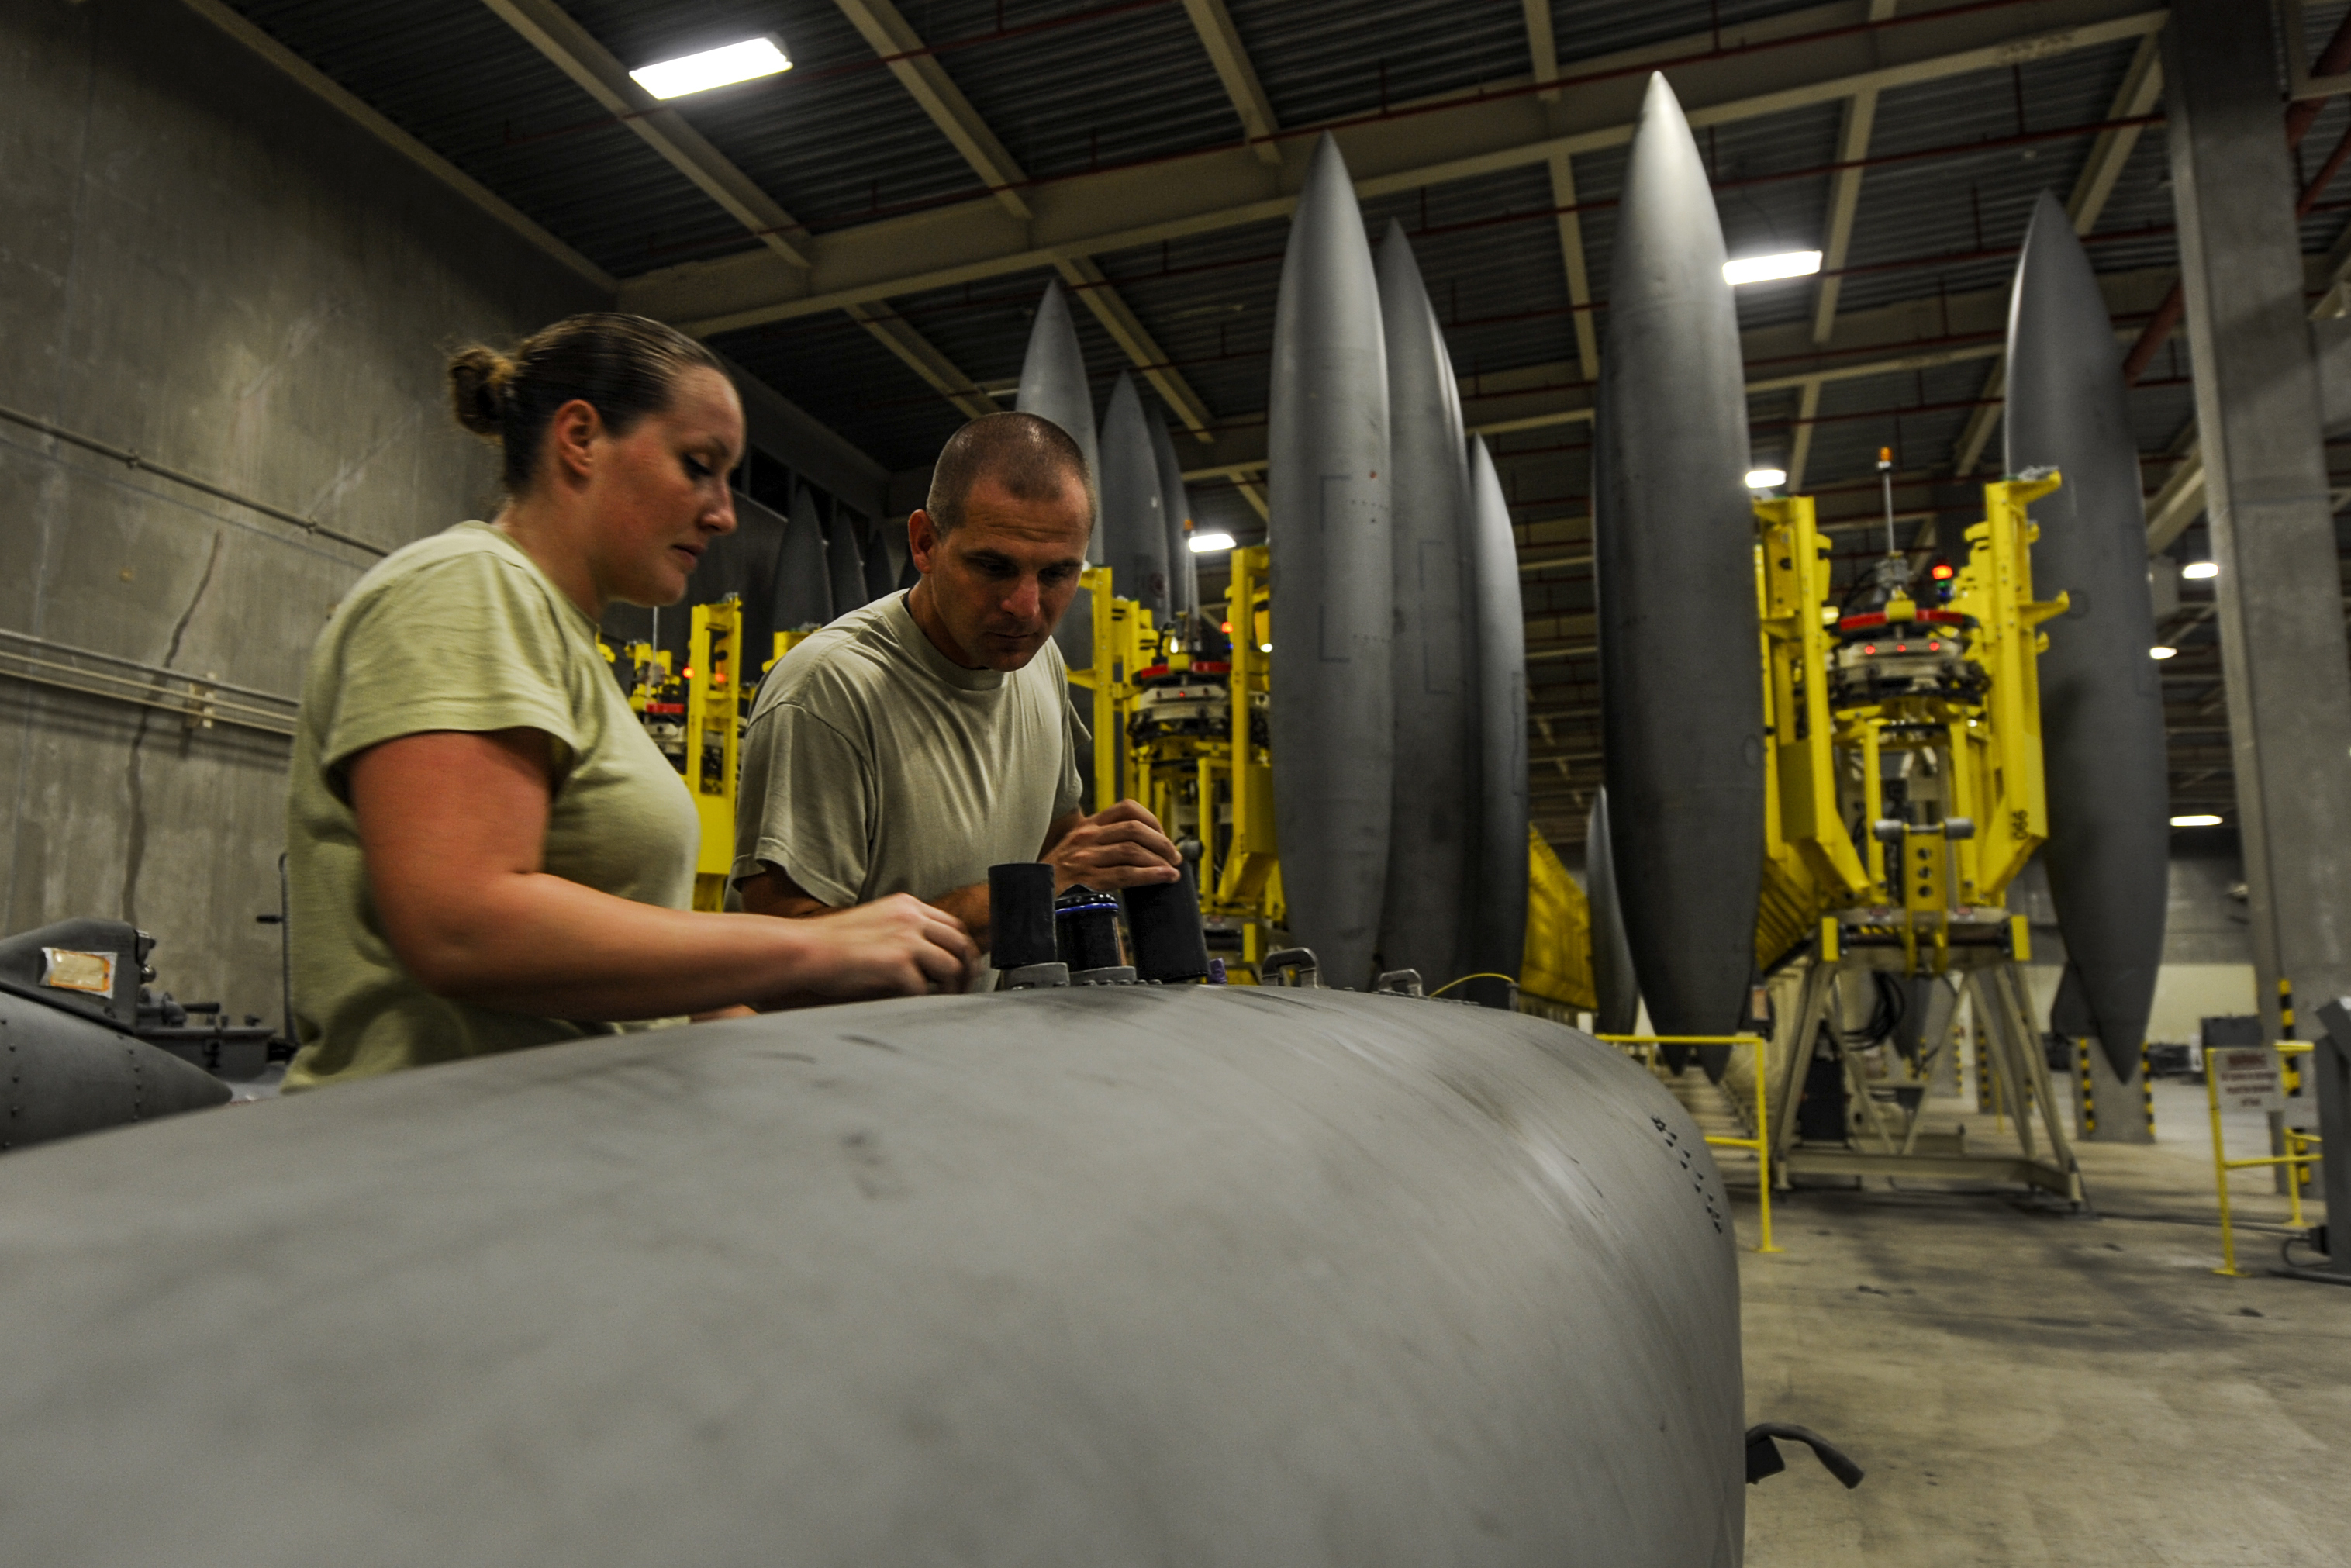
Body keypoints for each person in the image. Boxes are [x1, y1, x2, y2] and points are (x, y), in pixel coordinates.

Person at [282, 313, 974, 1090]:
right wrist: (817, 946)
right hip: (430, 1162)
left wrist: (821, 1066)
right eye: (698, 465)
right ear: (579, 438)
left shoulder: (563, 641)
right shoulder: (465, 585)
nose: (722, 513)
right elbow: (462, 926)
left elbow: (628, 994)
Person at [734, 413, 1180, 957]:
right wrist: (1034, 891)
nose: (1026, 608)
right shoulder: (827, 691)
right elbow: (783, 947)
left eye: (1058, 574)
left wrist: (1102, 855)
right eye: (994, 566)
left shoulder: (1039, 664)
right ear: (924, 544)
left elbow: (1055, 839)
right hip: (851, 1043)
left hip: (985, 1035)